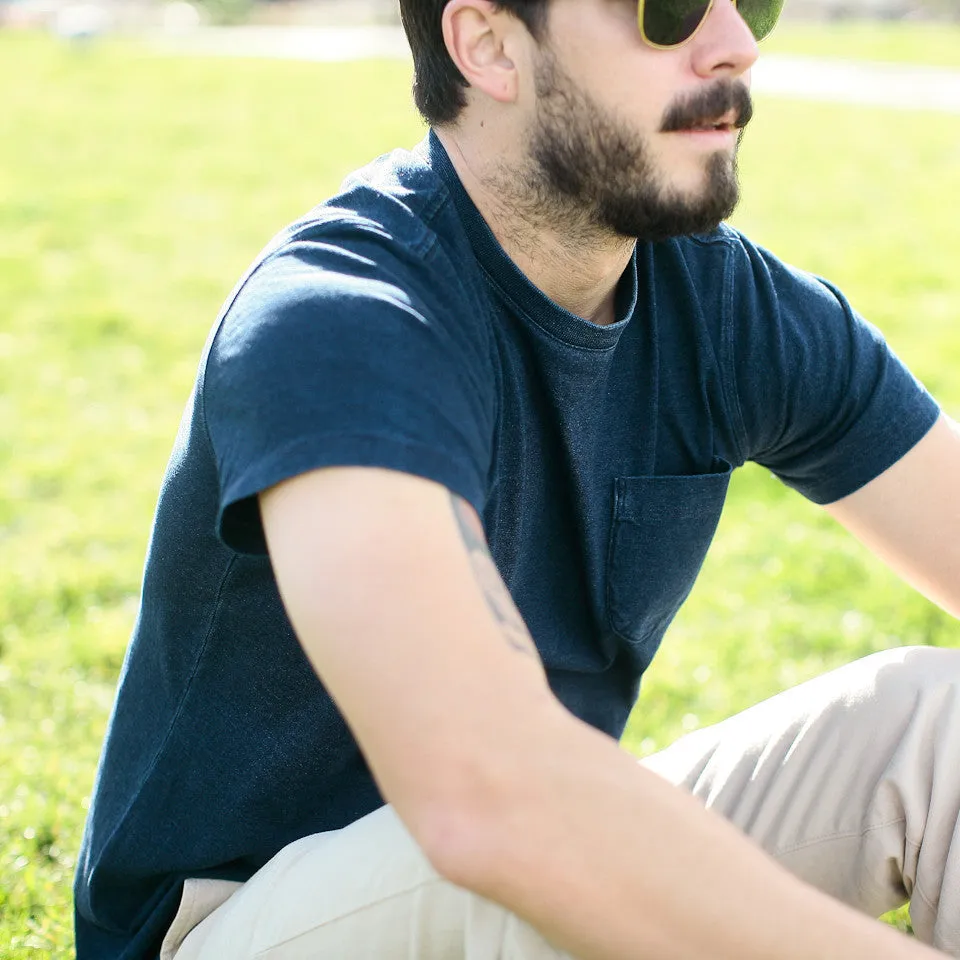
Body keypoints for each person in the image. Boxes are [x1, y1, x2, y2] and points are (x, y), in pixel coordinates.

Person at [74, 0, 960, 957]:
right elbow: (487, 799)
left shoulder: (723, 305)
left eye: (753, 0)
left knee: (936, 728)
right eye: (667, 9)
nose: (737, 42)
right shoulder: (339, 317)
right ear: (490, 45)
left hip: (536, 853)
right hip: (240, 925)